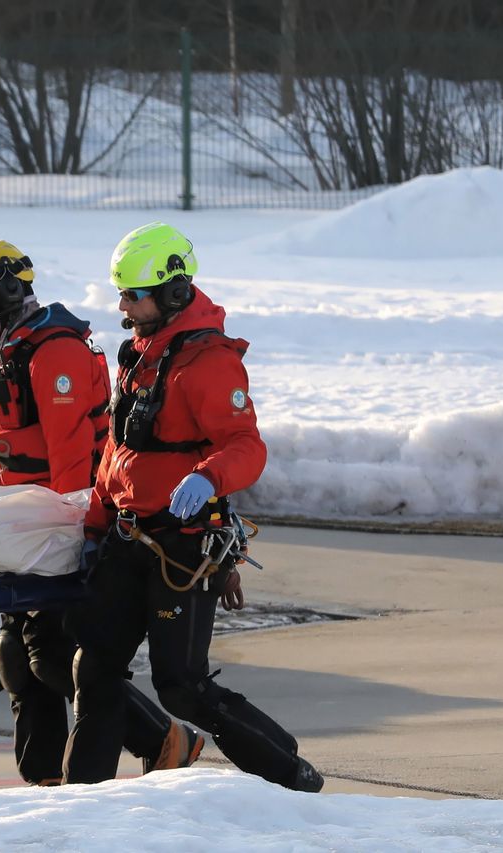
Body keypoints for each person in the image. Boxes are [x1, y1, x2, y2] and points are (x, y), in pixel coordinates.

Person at [62, 222, 323, 792]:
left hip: (181, 547)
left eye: (134, 295)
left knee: (180, 685)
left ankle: (289, 773)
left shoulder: (208, 362)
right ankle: (84, 798)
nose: (124, 307)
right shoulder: (140, 355)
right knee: (94, 665)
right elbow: (121, 448)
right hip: (129, 538)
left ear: (174, 292)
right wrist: (97, 523)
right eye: (122, 295)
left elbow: (247, 447)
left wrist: (208, 479)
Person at [0, 239, 203, 786]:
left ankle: (164, 740)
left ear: (5, 293)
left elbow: (67, 456)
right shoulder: (13, 349)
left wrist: (71, 537)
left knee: (48, 657)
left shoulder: (52, 350)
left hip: (54, 525)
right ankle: (42, 779)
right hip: (22, 525)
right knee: (20, 655)